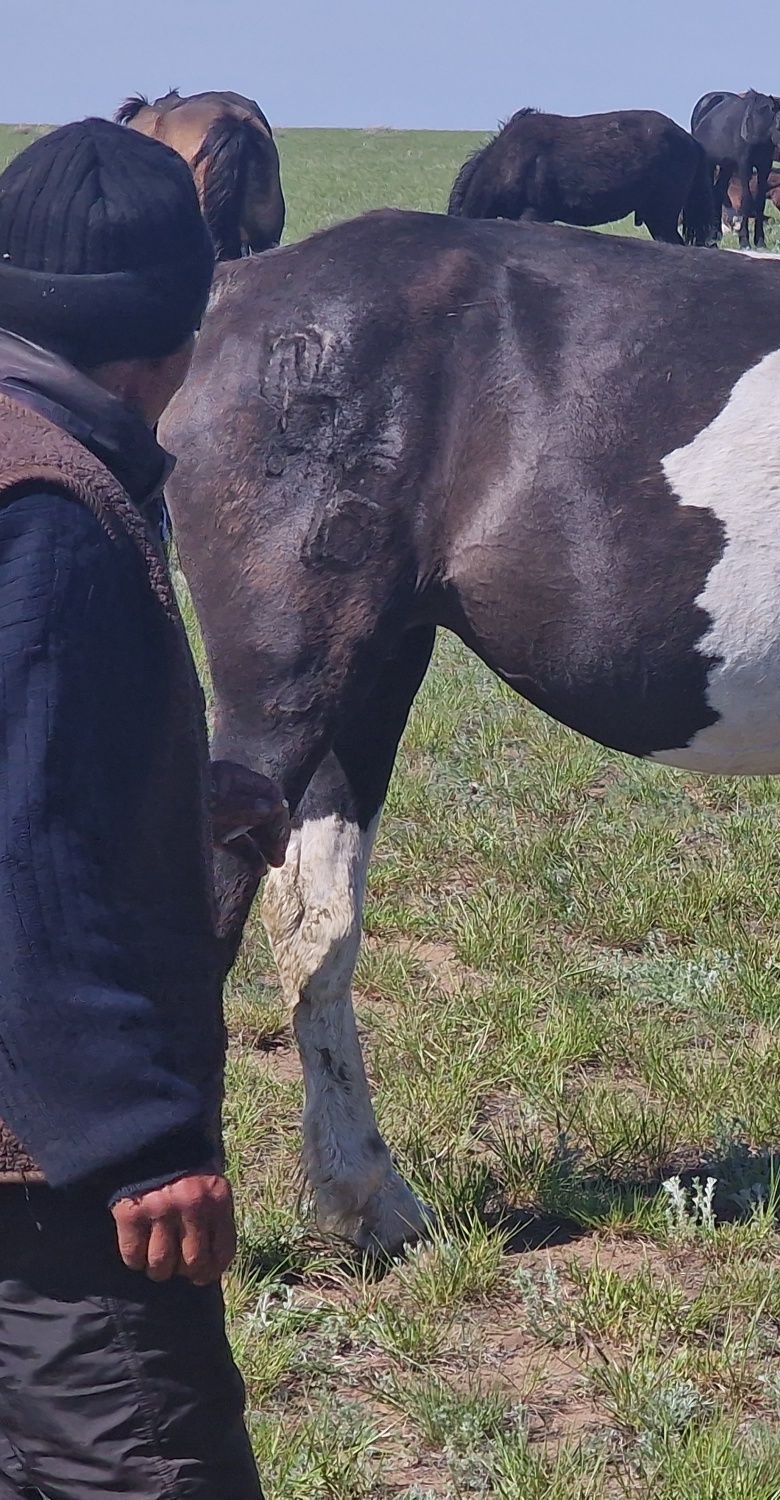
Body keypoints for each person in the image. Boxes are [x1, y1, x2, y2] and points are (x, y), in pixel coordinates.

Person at [0, 119, 289, 1498]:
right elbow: (21, 844)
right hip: (53, 1176)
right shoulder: (50, 512)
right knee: (144, 1463)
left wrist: (173, 786)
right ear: (174, 336)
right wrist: (135, 1138)